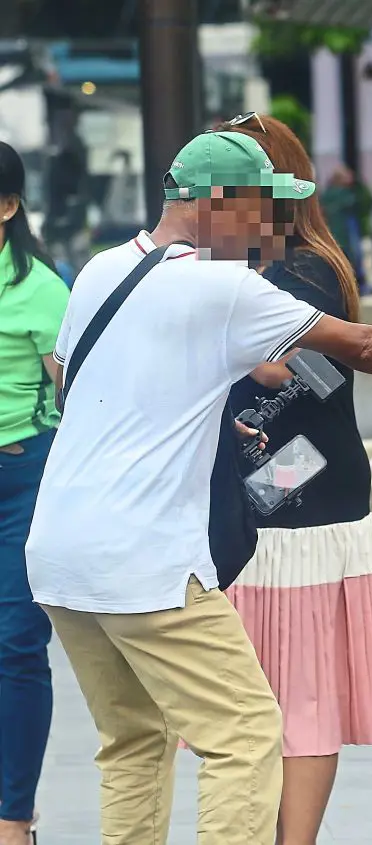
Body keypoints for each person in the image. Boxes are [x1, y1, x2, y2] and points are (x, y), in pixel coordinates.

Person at [23, 130, 372, 845]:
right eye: (262, 207)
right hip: (146, 560)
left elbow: (93, 384)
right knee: (246, 732)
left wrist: (207, 425)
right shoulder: (219, 285)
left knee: (135, 738)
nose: (271, 226)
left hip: (60, 552)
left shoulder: (98, 270)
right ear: (218, 204)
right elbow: (361, 345)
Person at [219, 114, 372, 845]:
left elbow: (316, 381)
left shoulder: (307, 269)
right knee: (253, 701)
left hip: (308, 508)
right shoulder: (238, 265)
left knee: (304, 700)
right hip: (256, 505)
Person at [0, 141, 65, 845]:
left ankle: (12, 816)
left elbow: (78, 391)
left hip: (22, 477)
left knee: (15, 644)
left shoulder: (43, 290)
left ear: (8, 206)